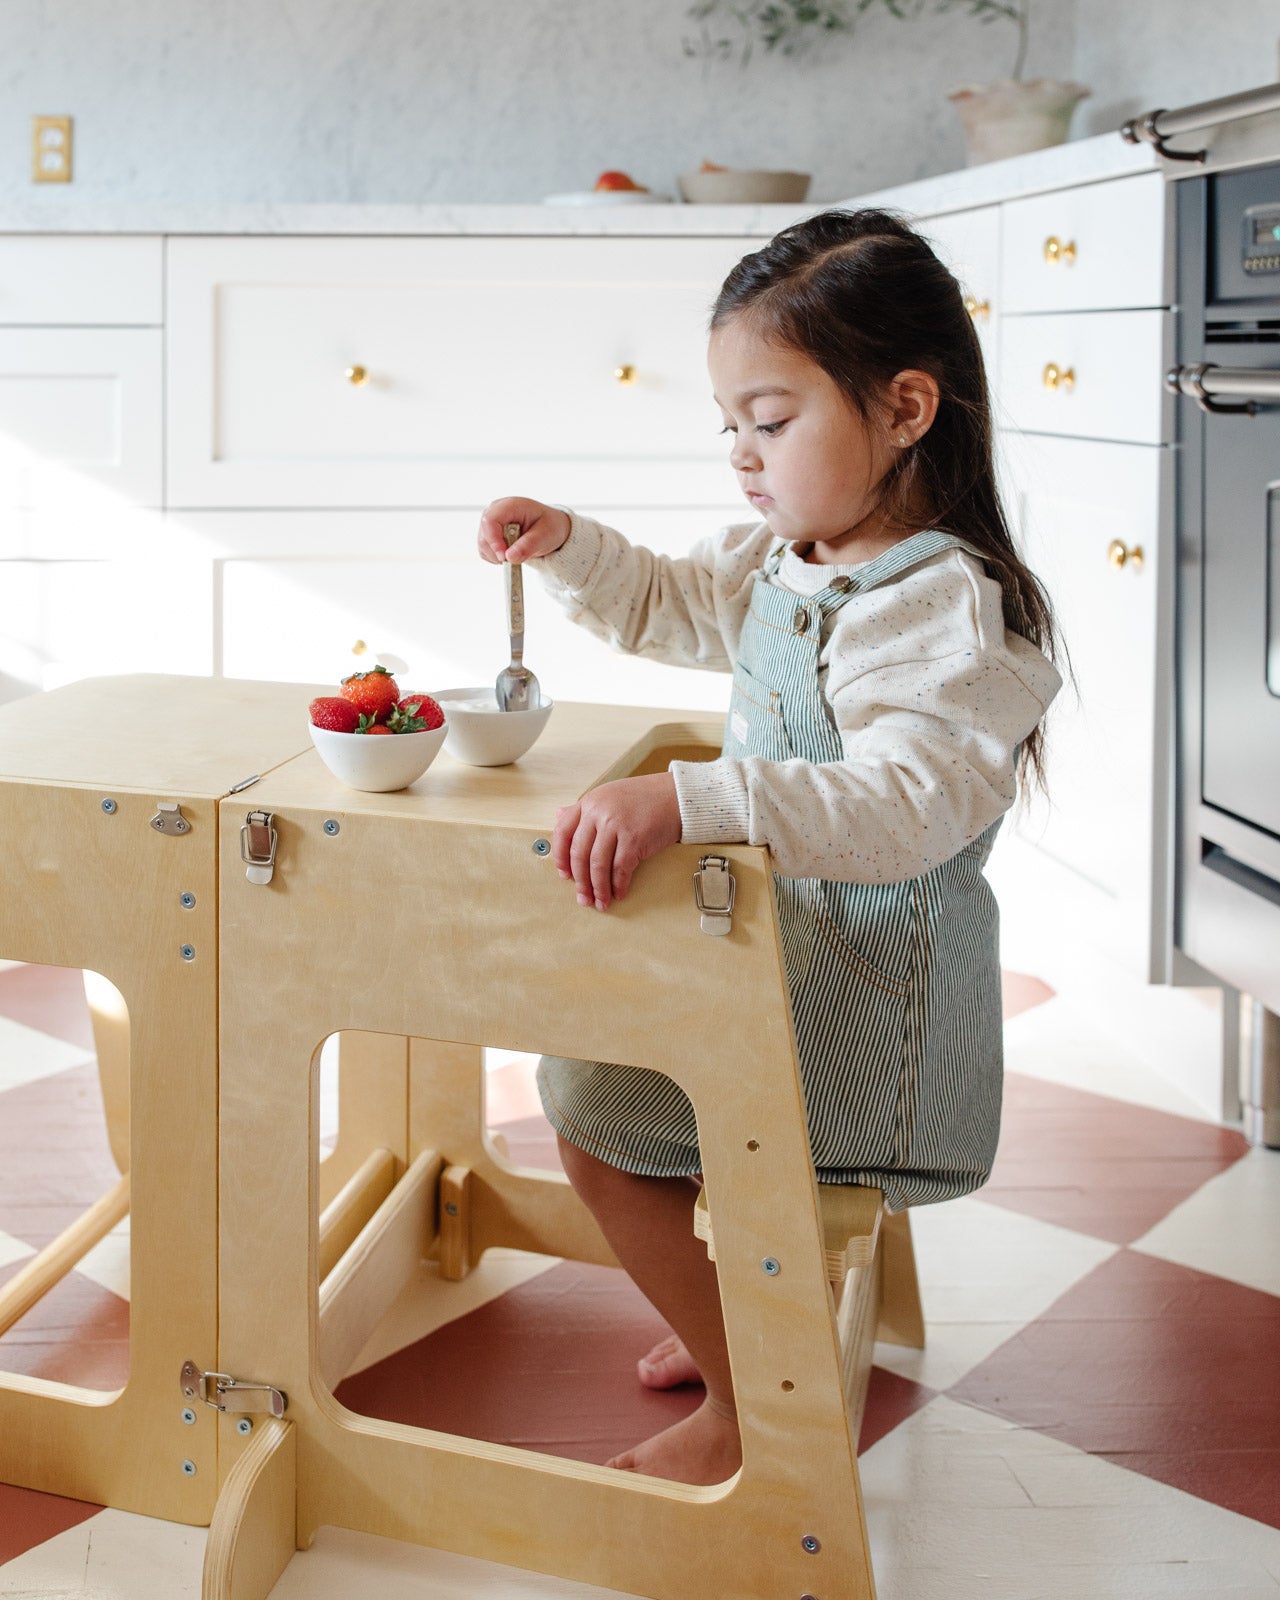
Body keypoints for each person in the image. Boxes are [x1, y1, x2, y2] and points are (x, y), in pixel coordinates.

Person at [475, 208, 1064, 1488]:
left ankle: (752, 1400)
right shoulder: (785, 558)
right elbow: (672, 605)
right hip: (787, 963)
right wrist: (570, 545)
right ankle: (739, 1315)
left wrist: (696, 799)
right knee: (605, 1044)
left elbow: (904, 801)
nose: (742, 458)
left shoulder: (939, 605)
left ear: (905, 406)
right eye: (729, 426)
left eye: (772, 419)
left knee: (592, 1111)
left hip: (863, 1006)